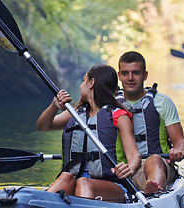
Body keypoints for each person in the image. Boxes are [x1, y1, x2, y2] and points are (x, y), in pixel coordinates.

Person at [36, 64, 141, 203]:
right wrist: (54, 106)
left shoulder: (119, 116)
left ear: (91, 83)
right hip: (77, 182)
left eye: (83, 81)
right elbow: (43, 126)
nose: (80, 86)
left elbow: (135, 156)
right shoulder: (76, 113)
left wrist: (129, 168)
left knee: (84, 182)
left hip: (113, 187)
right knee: (65, 177)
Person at [116, 51, 184, 194]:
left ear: (145, 75)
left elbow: (179, 141)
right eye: (125, 73)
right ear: (119, 76)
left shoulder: (162, 102)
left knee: (154, 160)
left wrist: (178, 150)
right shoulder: (109, 104)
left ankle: (153, 192)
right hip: (122, 169)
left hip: (158, 165)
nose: (130, 78)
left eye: (136, 73)